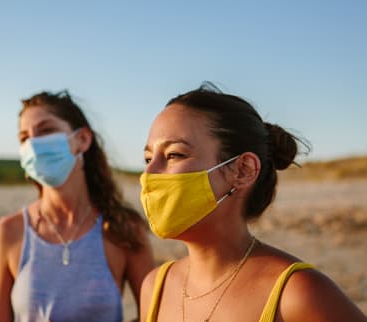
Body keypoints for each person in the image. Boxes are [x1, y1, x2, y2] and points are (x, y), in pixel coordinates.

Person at [139, 84, 367, 322]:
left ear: (243, 170)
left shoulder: (298, 294)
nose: (149, 173)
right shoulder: (155, 287)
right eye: (147, 158)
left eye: (175, 155)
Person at [0, 90, 154, 322]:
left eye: (46, 131)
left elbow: (154, 314)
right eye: (24, 138)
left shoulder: (123, 228)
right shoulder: (8, 233)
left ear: (82, 140)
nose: (33, 144)